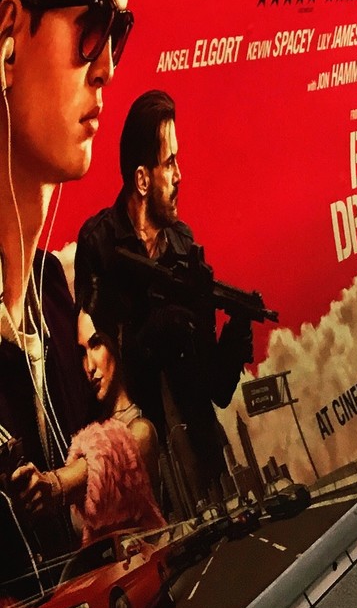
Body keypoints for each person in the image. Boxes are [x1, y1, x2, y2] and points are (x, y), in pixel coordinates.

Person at [0, 0, 159, 592]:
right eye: (92, 25)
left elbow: (135, 433)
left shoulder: (54, 297)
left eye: (119, 29)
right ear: (9, 34)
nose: (108, 69)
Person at [76, 90, 255, 508]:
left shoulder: (184, 246)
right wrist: (148, 338)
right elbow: (94, 378)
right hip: (145, 477)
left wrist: (237, 335)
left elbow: (215, 387)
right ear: (142, 180)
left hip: (205, 474)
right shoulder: (100, 243)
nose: (179, 175)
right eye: (170, 162)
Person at [11, 307, 166, 546]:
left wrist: (54, 485)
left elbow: (115, 453)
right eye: (82, 352)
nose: (89, 366)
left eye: (96, 344)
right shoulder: (89, 435)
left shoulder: (141, 430)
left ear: (117, 338)